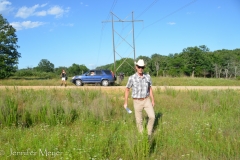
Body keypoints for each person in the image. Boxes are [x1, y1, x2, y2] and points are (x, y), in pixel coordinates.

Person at [124, 59, 155, 138]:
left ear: (144, 67)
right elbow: (127, 89)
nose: (140, 69)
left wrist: (153, 100)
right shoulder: (132, 78)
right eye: (139, 67)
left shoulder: (147, 77)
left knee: (152, 117)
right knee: (139, 121)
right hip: (137, 101)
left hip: (146, 100)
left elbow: (150, 88)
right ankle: (141, 137)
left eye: (142, 67)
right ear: (136, 67)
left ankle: (148, 134)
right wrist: (126, 102)